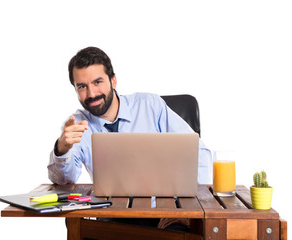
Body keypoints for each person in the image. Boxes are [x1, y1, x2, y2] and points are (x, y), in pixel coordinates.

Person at [48, 46, 212, 230]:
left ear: (113, 80)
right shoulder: (76, 124)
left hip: (166, 213)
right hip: (113, 215)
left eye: (97, 82)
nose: (92, 94)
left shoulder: (150, 105)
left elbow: (199, 152)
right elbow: (64, 181)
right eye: (82, 87)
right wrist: (62, 148)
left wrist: (190, 211)